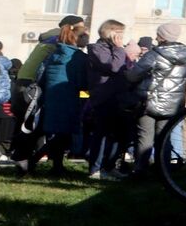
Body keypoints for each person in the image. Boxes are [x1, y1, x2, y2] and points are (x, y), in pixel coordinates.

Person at [13, 17, 88, 175]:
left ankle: (31, 162)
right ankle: (47, 165)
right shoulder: (78, 58)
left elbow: (42, 75)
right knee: (62, 135)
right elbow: (82, 82)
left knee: (45, 132)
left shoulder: (54, 53)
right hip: (68, 99)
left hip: (49, 98)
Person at [124, 22, 186, 174]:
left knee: (145, 137)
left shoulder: (154, 54)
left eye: (158, 34)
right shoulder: (185, 55)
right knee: (165, 138)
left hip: (149, 102)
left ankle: (141, 169)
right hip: (172, 104)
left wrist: (125, 72)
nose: (156, 37)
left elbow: (134, 75)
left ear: (162, 37)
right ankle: (164, 171)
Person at [82, 19, 132, 178]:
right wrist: (119, 49)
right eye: (119, 33)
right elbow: (114, 66)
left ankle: (109, 166)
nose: (122, 37)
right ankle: (95, 169)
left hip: (118, 97)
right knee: (101, 134)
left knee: (116, 135)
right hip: (104, 97)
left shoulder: (116, 49)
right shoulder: (97, 49)